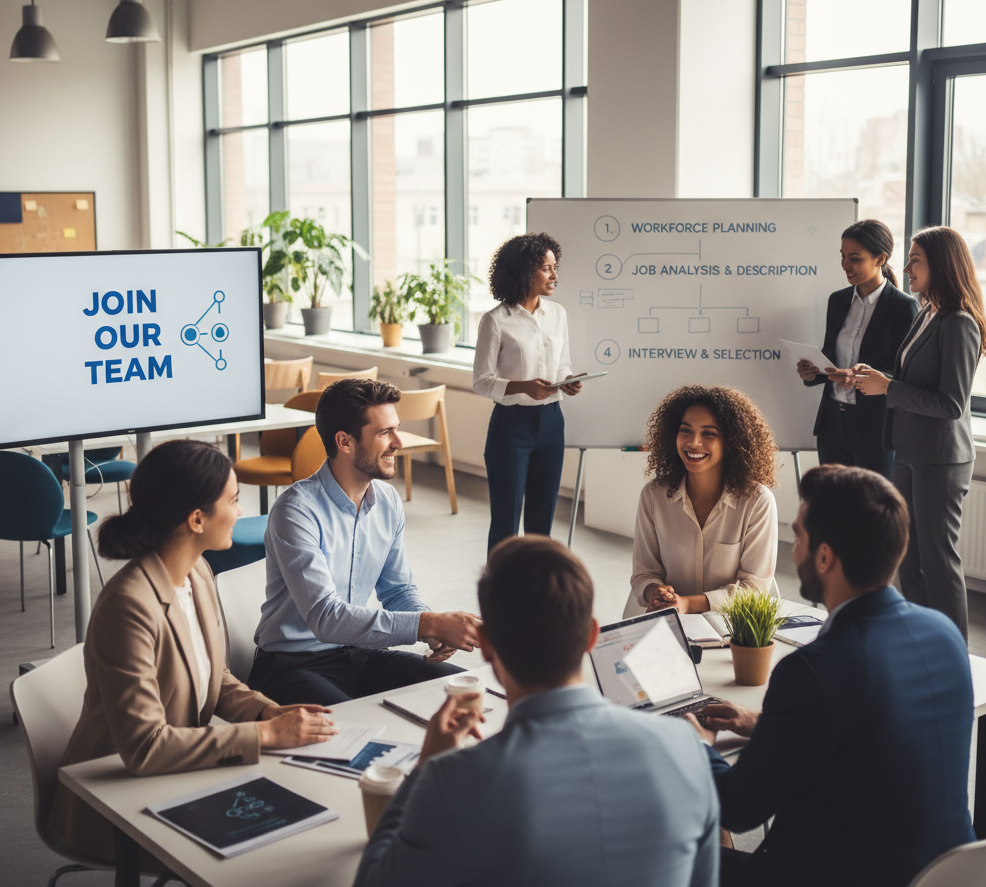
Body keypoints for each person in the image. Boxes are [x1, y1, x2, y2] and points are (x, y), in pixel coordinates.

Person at [353, 535, 720, 887]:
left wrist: (424, 768)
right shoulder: (688, 748)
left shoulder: (454, 781)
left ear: (486, 646)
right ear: (591, 636)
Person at [51, 439, 338, 866]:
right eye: (234, 500)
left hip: (182, 771)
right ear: (197, 519)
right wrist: (264, 736)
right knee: (280, 852)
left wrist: (267, 713)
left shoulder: (197, 571)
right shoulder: (129, 606)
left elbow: (214, 676)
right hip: (119, 794)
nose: (240, 511)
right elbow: (145, 748)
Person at [687, 464, 975, 887]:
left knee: (668, 859)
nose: (793, 550)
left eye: (798, 536)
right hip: (948, 873)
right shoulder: (945, 634)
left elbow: (737, 808)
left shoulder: (815, 669)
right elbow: (872, 734)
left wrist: (697, 746)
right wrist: (767, 726)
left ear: (824, 557)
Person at [249, 378, 481, 706]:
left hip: (359, 654)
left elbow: (398, 590)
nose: (398, 442)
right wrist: (427, 624)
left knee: (465, 696)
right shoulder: (296, 510)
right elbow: (326, 618)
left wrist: (432, 629)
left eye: (396, 429)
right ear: (345, 441)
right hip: (291, 666)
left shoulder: (387, 501)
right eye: (384, 433)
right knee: (353, 728)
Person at [853, 226, 986, 641]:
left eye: (915, 260)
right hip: (909, 452)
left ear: (941, 264)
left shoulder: (959, 323)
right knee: (908, 559)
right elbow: (917, 380)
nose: (905, 268)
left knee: (938, 561)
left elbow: (951, 404)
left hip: (941, 459)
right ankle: (921, 643)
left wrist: (888, 388)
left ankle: (953, 653)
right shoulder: (928, 312)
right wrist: (881, 379)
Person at [473, 233, 583, 552]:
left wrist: (567, 380)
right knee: (506, 520)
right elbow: (481, 381)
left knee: (542, 520)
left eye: (555, 267)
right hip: (511, 426)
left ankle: (537, 581)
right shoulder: (495, 321)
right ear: (524, 272)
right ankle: (499, 583)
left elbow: (562, 364)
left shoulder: (558, 314)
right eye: (546, 268)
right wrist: (524, 387)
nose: (554, 275)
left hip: (552, 422)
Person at [631, 385, 778, 615]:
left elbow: (754, 588)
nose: (694, 442)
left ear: (732, 441)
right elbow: (644, 574)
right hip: (671, 622)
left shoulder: (757, 501)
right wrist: (656, 593)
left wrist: (688, 604)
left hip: (732, 626)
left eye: (708, 433)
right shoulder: (653, 496)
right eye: (685, 431)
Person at [797, 218, 918, 478]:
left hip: (875, 429)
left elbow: (907, 377)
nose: (845, 265)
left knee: (870, 502)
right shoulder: (838, 301)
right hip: (832, 426)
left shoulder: (903, 307)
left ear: (880, 259)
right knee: (830, 498)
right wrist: (814, 371)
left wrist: (860, 377)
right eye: (843, 256)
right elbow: (832, 357)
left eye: (854, 258)